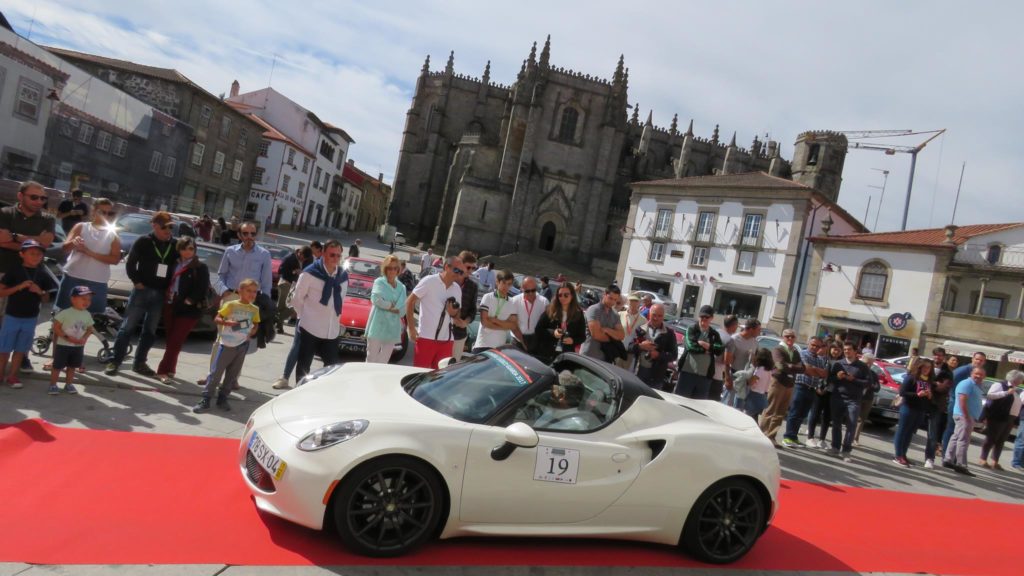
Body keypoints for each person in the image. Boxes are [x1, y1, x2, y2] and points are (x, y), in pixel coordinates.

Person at [105, 212, 179, 377]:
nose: (168, 230)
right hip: (141, 290)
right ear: (154, 226)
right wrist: (136, 281)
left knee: (150, 331)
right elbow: (131, 263)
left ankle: (139, 363)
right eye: (164, 227)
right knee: (127, 328)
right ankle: (115, 360)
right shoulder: (143, 241)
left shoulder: (174, 245)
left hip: (160, 293)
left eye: (171, 227)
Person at [194, 278, 261, 413]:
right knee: (216, 373)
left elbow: (255, 323)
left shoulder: (254, 309)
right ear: (240, 291)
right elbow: (217, 318)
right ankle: (206, 399)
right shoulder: (231, 305)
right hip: (226, 344)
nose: (252, 294)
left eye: (255, 292)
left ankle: (223, 398)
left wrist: (253, 331)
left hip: (242, 346)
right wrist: (226, 323)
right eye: (249, 291)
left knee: (232, 375)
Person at [0, 181, 56, 341]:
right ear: (20, 196)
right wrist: (34, 242)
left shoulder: (47, 219)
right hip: (3, 270)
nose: (39, 201)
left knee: (24, 318)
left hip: (30, 275)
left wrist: (16, 237)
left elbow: (45, 243)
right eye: (34, 197)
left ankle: (22, 356)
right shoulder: (4, 213)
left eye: (43, 198)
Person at [0, 240, 55, 388]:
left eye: (38, 254)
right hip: (11, 316)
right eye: (31, 253)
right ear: (21, 254)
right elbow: (1, 291)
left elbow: (46, 299)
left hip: (30, 318)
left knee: (20, 349)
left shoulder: (43, 274)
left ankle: (12, 376)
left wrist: (40, 291)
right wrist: (19, 287)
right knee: (4, 348)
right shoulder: (14, 271)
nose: (35, 256)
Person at [291, 240, 348, 382]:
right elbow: (297, 299)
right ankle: (299, 392)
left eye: (338, 256)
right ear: (323, 254)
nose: (335, 259)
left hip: (331, 330)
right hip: (310, 327)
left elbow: (341, 299)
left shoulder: (342, 276)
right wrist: (303, 317)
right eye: (332, 255)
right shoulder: (310, 273)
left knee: (332, 366)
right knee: (304, 365)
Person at [155, 237, 211, 383]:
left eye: (191, 248)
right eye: (184, 248)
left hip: (189, 309)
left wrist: (189, 301)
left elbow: (202, 289)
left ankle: (162, 371)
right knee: (171, 340)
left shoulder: (200, 267)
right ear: (179, 249)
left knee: (176, 340)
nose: (187, 251)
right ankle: (171, 369)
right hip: (170, 304)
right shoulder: (174, 263)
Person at [214, 221, 275, 349]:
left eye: (252, 233)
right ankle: (215, 368)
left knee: (241, 338)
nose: (249, 236)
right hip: (230, 298)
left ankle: (235, 368)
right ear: (239, 235)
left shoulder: (264, 254)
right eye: (245, 233)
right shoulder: (230, 251)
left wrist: (264, 302)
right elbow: (221, 275)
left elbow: (266, 283)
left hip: (248, 304)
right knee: (223, 337)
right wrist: (224, 291)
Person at [55, 197, 120, 314]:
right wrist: (74, 242)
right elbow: (64, 249)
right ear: (93, 211)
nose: (105, 215)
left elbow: (115, 259)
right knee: (63, 316)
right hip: (73, 277)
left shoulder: (112, 234)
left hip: (97, 281)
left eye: (109, 213)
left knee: (90, 320)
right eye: (102, 211)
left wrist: (88, 252)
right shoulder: (81, 227)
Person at [406, 255, 462, 369]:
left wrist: (453, 313)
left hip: (447, 340)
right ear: (446, 267)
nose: (458, 274)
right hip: (426, 337)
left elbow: (458, 315)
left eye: (460, 271)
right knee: (420, 375)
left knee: (439, 378)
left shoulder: (457, 288)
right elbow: (409, 302)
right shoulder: (429, 281)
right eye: (456, 270)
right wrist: (411, 328)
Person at [759, 328, 805, 446]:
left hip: (789, 383)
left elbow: (803, 368)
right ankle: (762, 435)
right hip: (778, 381)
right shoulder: (778, 349)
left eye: (792, 336)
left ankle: (771, 436)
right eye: (787, 336)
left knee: (781, 412)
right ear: (783, 337)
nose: (790, 339)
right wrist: (794, 366)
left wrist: (790, 366)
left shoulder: (795, 351)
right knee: (770, 409)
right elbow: (780, 366)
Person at [828, 343, 871, 462]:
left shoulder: (862, 366)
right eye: (845, 349)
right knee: (836, 424)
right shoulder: (838, 364)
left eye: (849, 349)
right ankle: (835, 447)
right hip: (838, 397)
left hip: (854, 399)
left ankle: (846, 450)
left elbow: (868, 383)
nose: (847, 351)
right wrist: (837, 377)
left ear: (855, 351)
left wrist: (854, 380)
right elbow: (829, 379)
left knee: (851, 425)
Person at [49, 286, 95, 395]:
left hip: (78, 347)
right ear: (73, 299)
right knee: (57, 366)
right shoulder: (65, 313)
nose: (87, 302)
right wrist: (67, 337)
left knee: (72, 366)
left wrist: (84, 338)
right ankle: (53, 385)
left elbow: (90, 328)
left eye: (89, 300)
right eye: (83, 299)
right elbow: (55, 327)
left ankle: (69, 384)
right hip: (63, 345)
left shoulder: (87, 314)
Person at [783, 337, 828, 447]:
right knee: (795, 412)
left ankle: (794, 437)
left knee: (802, 414)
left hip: (812, 389)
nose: (815, 347)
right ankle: (788, 437)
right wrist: (815, 370)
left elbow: (824, 374)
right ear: (808, 344)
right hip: (800, 386)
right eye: (813, 345)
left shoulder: (820, 359)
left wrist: (813, 369)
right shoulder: (802, 354)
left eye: (817, 346)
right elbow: (806, 369)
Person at [943, 366, 986, 475]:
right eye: (976, 374)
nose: (978, 376)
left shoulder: (976, 385)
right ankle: (961, 465)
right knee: (963, 440)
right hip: (964, 416)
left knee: (956, 437)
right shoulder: (967, 383)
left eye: (981, 375)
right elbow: (962, 400)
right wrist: (967, 417)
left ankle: (948, 459)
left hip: (966, 416)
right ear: (971, 373)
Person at [674, 305, 724, 399]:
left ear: (711, 318)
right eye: (702, 317)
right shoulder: (692, 329)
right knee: (680, 400)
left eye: (707, 317)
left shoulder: (714, 334)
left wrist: (708, 345)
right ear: (698, 317)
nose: (704, 319)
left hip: (705, 376)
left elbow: (719, 350)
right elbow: (691, 346)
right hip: (687, 372)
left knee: (698, 405)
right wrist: (707, 350)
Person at [893, 357, 935, 467]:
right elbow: (902, 392)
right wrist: (917, 394)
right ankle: (898, 455)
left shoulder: (928, 380)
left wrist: (929, 395)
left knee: (910, 433)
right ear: (919, 367)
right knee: (902, 431)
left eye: (929, 367)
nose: (926, 369)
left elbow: (928, 395)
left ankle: (904, 454)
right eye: (924, 367)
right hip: (908, 407)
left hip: (920, 409)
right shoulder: (911, 378)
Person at [365, 254, 406, 364]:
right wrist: (391, 306)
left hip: (392, 328)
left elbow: (402, 310)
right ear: (385, 269)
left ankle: (377, 381)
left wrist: (387, 304)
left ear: (398, 269)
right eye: (389, 268)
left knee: (384, 361)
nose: (392, 271)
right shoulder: (379, 282)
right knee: (371, 358)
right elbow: (375, 299)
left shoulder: (402, 287)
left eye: (395, 268)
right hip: (377, 325)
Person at [979, 370, 1023, 470]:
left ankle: (995, 461)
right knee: (991, 438)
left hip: (1009, 418)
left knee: (1001, 440)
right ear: (1015, 379)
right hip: (998, 416)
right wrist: (1006, 392)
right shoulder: (1000, 384)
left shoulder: (1015, 388)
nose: (1021, 381)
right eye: (1021, 379)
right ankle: (983, 458)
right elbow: (990, 395)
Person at [534, 283, 587, 364]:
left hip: (566, 356)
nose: (562, 298)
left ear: (572, 296)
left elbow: (582, 337)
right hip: (547, 354)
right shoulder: (550, 310)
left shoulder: (578, 314)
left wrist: (573, 340)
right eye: (560, 295)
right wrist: (553, 333)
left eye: (566, 295)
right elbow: (538, 329)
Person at [472, 269, 519, 353]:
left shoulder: (512, 302)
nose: (506, 287)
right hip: (482, 344)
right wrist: (504, 326)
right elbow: (485, 322)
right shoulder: (487, 297)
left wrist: (495, 320)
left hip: (499, 348)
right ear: (497, 282)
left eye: (509, 284)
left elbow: (512, 326)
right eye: (504, 283)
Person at [633, 304, 677, 390]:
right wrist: (641, 346)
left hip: (656, 376)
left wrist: (658, 355)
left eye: (660, 316)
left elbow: (673, 355)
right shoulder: (640, 329)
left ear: (663, 316)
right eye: (654, 315)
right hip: (638, 372)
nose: (656, 318)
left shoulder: (669, 333)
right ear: (649, 314)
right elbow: (630, 348)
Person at [923, 347, 954, 467]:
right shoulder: (926, 365)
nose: (938, 357)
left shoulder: (948, 372)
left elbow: (944, 388)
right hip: (920, 401)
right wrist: (935, 383)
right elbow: (917, 380)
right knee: (909, 428)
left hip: (936, 404)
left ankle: (929, 458)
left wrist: (930, 383)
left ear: (944, 357)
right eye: (936, 355)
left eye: (940, 355)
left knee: (932, 433)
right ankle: (901, 454)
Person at [579, 284, 625, 363]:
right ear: (604, 294)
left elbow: (621, 335)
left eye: (615, 300)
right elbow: (597, 335)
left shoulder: (615, 314)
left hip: (606, 359)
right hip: (588, 356)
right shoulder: (593, 310)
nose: (612, 302)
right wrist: (613, 338)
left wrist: (607, 330)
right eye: (610, 298)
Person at [807, 342, 841, 448]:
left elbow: (839, 379)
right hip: (820, 390)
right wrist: (818, 387)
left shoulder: (842, 363)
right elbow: (817, 374)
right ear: (830, 349)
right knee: (815, 413)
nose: (836, 351)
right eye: (834, 349)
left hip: (832, 392)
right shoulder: (823, 359)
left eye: (839, 350)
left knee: (827, 416)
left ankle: (822, 439)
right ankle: (810, 437)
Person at [723, 320, 761, 409]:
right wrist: (727, 378)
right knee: (727, 405)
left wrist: (753, 358)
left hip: (745, 380)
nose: (759, 332)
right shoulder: (734, 339)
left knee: (738, 409)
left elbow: (755, 362)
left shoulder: (755, 343)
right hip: (734, 376)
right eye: (758, 330)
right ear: (751, 329)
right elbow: (727, 361)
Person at [275, 245, 313, 333]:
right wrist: (294, 271)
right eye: (302, 258)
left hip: (297, 285)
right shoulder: (289, 258)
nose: (303, 260)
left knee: (293, 306)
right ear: (299, 253)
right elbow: (280, 271)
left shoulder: (309, 259)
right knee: (282, 306)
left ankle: (276, 319)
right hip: (286, 283)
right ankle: (278, 326)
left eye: (305, 259)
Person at [449, 251, 478, 360]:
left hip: (460, 335)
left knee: (451, 369)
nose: (471, 271)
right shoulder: (448, 281)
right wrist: (453, 320)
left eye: (473, 268)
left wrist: (465, 322)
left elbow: (473, 310)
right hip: (441, 333)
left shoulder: (473, 286)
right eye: (468, 267)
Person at [510, 276, 548, 356]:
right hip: (518, 340)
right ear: (522, 289)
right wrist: (523, 342)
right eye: (527, 291)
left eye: (533, 290)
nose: (531, 293)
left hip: (536, 340)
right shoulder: (514, 301)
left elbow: (547, 324)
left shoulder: (544, 302)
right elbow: (513, 325)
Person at [852, 353, 881, 446]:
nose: (868, 365)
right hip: (856, 396)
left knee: (861, 419)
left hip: (868, 398)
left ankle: (855, 438)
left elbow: (877, 387)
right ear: (862, 360)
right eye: (867, 363)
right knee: (853, 417)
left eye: (871, 363)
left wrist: (870, 386)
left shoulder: (873, 374)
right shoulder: (857, 370)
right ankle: (849, 436)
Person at [710, 315, 740, 402]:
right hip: (717, 374)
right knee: (712, 402)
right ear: (734, 325)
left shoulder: (715, 332)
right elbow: (725, 360)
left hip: (705, 371)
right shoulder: (729, 340)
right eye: (737, 325)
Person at [615, 293, 647, 371]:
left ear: (639, 302)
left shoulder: (643, 320)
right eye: (631, 300)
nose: (633, 303)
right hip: (617, 351)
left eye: (635, 301)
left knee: (626, 377)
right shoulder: (619, 315)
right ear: (628, 301)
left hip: (631, 354)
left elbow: (643, 339)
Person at [743, 348, 775, 421]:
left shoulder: (761, 369)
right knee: (754, 417)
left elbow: (752, 382)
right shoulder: (769, 370)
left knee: (747, 417)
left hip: (755, 396)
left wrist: (746, 379)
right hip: (763, 395)